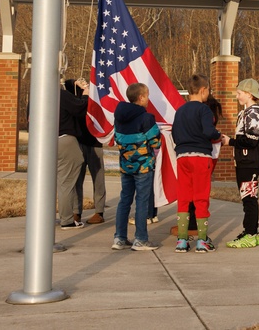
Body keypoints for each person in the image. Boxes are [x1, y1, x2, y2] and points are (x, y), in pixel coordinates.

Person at [171, 74, 228, 253]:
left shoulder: (180, 110)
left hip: (182, 157)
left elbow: (174, 133)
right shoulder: (204, 110)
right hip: (201, 157)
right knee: (201, 197)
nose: (208, 94)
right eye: (208, 90)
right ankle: (202, 241)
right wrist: (219, 136)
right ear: (203, 90)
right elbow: (208, 131)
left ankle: (182, 240)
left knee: (184, 197)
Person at [111, 82, 162, 251]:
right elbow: (155, 143)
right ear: (141, 97)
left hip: (126, 165)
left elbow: (117, 138)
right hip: (143, 166)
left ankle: (119, 238)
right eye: (147, 96)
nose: (148, 99)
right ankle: (140, 239)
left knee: (125, 199)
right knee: (141, 200)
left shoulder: (119, 116)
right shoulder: (146, 118)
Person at [226, 78, 259, 249]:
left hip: (250, 161)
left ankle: (250, 234)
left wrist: (231, 142)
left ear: (249, 94)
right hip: (244, 161)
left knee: (249, 198)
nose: (237, 97)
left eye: (239, 93)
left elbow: (251, 139)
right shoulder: (247, 112)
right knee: (246, 197)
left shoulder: (254, 113)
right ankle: (250, 231)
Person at [57, 78, 90, 229]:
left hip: (43, 145)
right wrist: (86, 94)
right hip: (65, 141)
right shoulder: (60, 95)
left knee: (46, 184)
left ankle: (41, 218)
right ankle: (67, 220)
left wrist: (73, 83)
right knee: (66, 184)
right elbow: (80, 108)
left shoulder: (36, 97)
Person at [76, 101, 107, 225]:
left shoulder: (98, 100)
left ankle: (99, 212)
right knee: (77, 179)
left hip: (95, 143)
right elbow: (68, 85)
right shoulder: (77, 98)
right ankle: (76, 211)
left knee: (98, 179)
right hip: (79, 143)